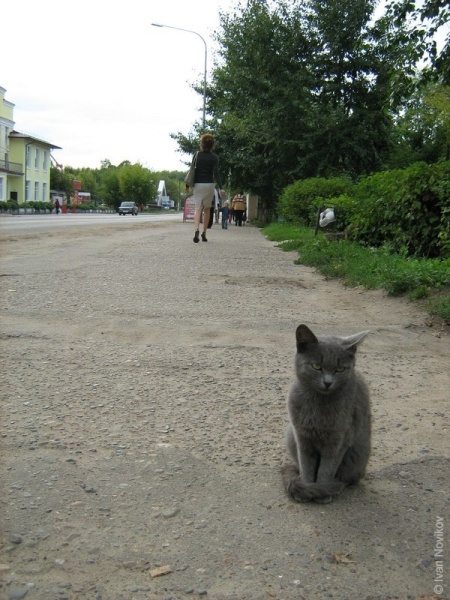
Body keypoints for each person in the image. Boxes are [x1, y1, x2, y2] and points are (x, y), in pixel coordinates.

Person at [185, 134, 225, 243]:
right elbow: (216, 173)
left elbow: (192, 170)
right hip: (209, 185)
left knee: (198, 208)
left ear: (202, 144)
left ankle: (196, 229)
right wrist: (221, 187)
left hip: (198, 184)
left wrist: (187, 185)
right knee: (207, 209)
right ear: (212, 145)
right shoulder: (214, 157)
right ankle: (204, 233)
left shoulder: (197, 155)